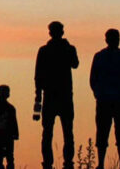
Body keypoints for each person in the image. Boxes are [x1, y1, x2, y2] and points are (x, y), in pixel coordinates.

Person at [34, 21, 79, 169]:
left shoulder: (47, 50)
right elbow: (38, 75)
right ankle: (60, 163)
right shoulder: (52, 50)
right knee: (60, 132)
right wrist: (38, 96)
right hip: (59, 96)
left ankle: (57, 163)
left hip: (56, 96)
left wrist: (38, 95)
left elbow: (75, 64)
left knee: (56, 132)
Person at [90, 29, 120, 169]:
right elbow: (93, 79)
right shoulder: (119, 56)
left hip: (114, 100)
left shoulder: (105, 56)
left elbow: (93, 79)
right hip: (111, 100)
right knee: (109, 132)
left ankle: (113, 163)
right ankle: (108, 163)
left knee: (115, 133)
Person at [0, 84, 19, 169]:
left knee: (9, 155)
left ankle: (7, 166)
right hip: (0, 134)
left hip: (8, 135)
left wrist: (15, 134)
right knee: (1, 154)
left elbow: (14, 122)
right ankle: (0, 166)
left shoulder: (10, 108)